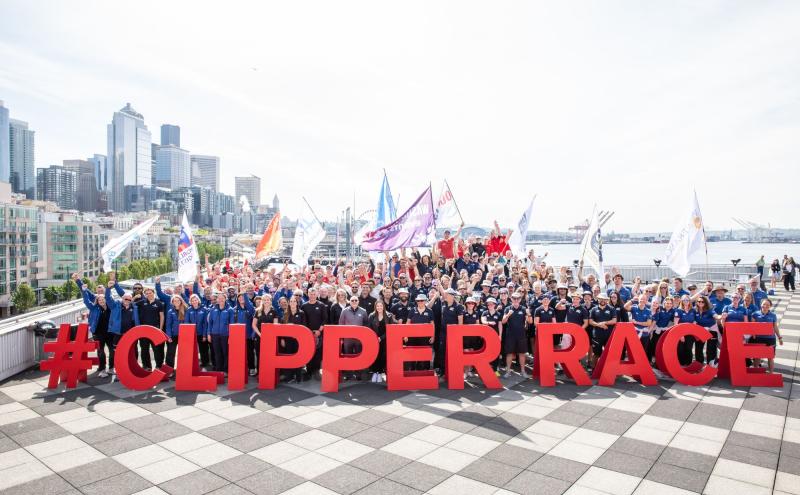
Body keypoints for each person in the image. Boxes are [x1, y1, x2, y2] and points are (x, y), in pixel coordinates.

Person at [82, 281, 114, 377]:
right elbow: (86, 301)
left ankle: (111, 367)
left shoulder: (111, 307)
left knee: (112, 350)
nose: (101, 301)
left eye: (103, 299)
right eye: (99, 300)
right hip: (98, 333)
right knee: (100, 351)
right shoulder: (94, 308)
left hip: (110, 332)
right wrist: (84, 291)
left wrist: (109, 288)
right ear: (97, 301)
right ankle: (102, 368)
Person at [135, 287, 166, 370]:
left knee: (157, 349)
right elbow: (131, 303)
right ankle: (147, 366)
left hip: (155, 330)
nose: (149, 295)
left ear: (153, 293)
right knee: (144, 349)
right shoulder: (142, 302)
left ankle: (158, 366)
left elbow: (162, 316)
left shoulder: (159, 303)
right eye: (147, 293)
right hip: (143, 330)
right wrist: (134, 297)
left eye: (150, 293)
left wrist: (160, 329)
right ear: (145, 294)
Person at [301, 287, 329, 380]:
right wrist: (308, 332)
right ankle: (309, 371)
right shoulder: (304, 306)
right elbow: (303, 320)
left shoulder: (321, 305)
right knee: (308, 352)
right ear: (308, 294)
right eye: (310, 294)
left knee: (318, 353)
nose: (312, 296)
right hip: (308, 334)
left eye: (314, 294)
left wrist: (319, 331)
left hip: (319, 333)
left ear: (317, 294)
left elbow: (325, 319)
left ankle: (316, 371)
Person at [502, 292, 532, 378]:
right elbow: (503, 322)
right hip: (510, 335)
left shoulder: (523, 309)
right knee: (509, 353)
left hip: (521, 335)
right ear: (511, 299)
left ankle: (523, 371)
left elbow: (530, 322)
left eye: (517, 298)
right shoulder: (507, 308)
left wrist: (529, 314)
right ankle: (508, 371)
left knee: (522, 353)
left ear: (520, 299)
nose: (516, 300)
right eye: (514, 298)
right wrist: (508, 315)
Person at [339, 295, 368, 380]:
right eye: (352, 300)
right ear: (350, 302)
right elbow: (341, 324)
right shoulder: (344, 311)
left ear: (358, 301)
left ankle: (358, 374)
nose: (354, 302)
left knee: (359, 356)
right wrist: (342, 337)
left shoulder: (363, 311)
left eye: (356, 300)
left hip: (359, 339)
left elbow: (366, 324)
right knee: (348, 356)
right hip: (348, 339)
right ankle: (349, 375)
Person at [750, 299, 783, 372]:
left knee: (770, 357)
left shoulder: (773, 315)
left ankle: (771, 373)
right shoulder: (754, 314)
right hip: (758, 339)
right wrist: (753, 334)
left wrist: (779, 337)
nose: (765, 306)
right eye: (764, 304)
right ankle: (756, 372)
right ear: (761, 305)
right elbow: (752, 327)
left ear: (770, 306)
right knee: (757, 357)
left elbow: (775, 327)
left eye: (768, 305)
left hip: (770, 339)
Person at [367, 299, 395, 383]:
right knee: (375, 356)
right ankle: (375, 372)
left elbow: (390, 330)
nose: (379, 307)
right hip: (374, 339)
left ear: (383, 306)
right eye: (377, 306)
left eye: (381, 306)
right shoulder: (371, 315)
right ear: (375, 307)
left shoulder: (389, 316)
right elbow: (369, 328)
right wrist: (375, 337)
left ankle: (379, 372)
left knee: (383, 356)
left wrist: (381, 338)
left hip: (385, 339)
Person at [281, 296, 308, 383]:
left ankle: (298, 377)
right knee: (289, 358)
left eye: (294, 301)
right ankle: (290, 377)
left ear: (297, 303)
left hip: (298, 340)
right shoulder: (286, 313)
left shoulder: (301, 313)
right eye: (291, 301)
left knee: (298, 359)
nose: (292, 303)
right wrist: (282, 339)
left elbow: (304, 326)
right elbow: (282, 328)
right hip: (288, 340)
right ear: (289, 303)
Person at [207, 293, 233, 373]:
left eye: (222, 298)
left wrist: (230, 336)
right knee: (217, 353)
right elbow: (210, 323)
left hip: (225, 335)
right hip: (215, 335)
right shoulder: (212, 310)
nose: (221, 300)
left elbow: (232, 324)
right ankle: (219, 370)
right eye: (219, 298)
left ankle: (226, 370)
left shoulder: (230, 310)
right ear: (217, 299)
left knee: (225, 353)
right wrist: (209, 334)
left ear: (225, 299)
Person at [589, 293, 617, 368]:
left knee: (609, 354)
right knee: (596, 354)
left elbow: (614, 320)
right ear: (598, 299)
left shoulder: (611, 309)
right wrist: (599, 325)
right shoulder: (594, 309)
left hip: (608, 335)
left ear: (607, 300)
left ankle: (608, 370)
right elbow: (590, 321)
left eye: (604, 299)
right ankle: (594, 369)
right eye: (601, 299)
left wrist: (604, 323)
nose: (602, 300)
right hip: (597, 335)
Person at [186, 294, 211, 369]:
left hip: (201, 333)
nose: (194, 302)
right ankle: (193, 363)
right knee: (192, 350)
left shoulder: (204, 309)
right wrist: (189, 333)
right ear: (191, 302)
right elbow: (187, 322)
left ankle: (205, 363)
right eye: (192, 301)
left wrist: (204, 335)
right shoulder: (189, 310)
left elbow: (205, 323)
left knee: (203, 349)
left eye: (195, 300)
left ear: (198, 300)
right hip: (192, 333)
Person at [694, 296, 719, 366]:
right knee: (698, 348)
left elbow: (716, 316)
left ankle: (711, 365)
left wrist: (720, 316)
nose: (700, 303)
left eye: (702, 302)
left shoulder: (710, 310)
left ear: (706, 303)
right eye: (699, 301)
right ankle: (699, 364)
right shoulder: (694, 310)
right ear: (697, 302)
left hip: (711, 330)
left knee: (711, 348)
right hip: (700, 331)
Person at [481, 297, 503, 373]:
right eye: (488, 304)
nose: (490, 305)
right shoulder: (484, 313)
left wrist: (500, 335)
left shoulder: (498, 314)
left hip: (495, 336)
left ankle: (495, 369)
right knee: (486, 352)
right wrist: (489, 323)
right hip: (486, 336)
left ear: (494, 305)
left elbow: (500, 325)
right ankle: (486, 369)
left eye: (491, 304)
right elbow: (483, 321)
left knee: (495, 352)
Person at [164, 295, 187, 370]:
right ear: (172, 302)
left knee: (183, 353)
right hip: (173, 335)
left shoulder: (186, 310)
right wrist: (169, 336)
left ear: (181, 301)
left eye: (178, 300)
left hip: (183, 335)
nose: (176, 302)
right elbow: (168, 324)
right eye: (174, 301)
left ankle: (183, 369)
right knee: (170, 353)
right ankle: (170, 369)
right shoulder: (170, 311)